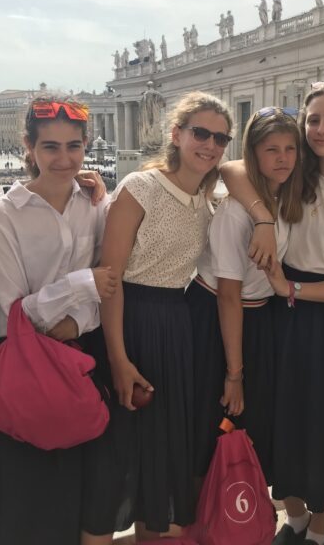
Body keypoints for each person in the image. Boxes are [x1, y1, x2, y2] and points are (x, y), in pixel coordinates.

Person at [222, 82, 324, 545]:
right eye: (313, 120)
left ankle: (317, 528)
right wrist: (263, 218)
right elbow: (231, 167)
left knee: (317, 422)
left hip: (319, 314)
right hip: (276, 313)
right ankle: (292, 518)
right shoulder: (292, 171)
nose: (321, 129)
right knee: (277, 417)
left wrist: (291, 288)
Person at [81, 92, 233, 544]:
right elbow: (110, 279)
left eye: (220, 138)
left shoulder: (208, 198)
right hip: (128, 320)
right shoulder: (141, 187)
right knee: (115, 455)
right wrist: (118, 359)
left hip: (175, 327)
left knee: (162, 457)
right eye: (200, 133)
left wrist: (263, 219)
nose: (210, 145)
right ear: (176, 134)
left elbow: (244, 175)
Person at [0, 96, 115, 545]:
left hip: (84, 353)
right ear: (29, 146)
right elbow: (14, 307)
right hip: (27, 362)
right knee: (33, 490)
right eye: (51, 147)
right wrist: (82, 285)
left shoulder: (95, 203)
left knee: (89, 486)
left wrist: (76, 322)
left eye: (74, 146)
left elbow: (108, 277)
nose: (64, 159)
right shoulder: (4, 214)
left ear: (86, 146)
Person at [188, 107, 303, 487]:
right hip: (218, 321)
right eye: (272, 150)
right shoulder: (236, 213)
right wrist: (234, 374)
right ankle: (209, 505)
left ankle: (242, 502)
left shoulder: (283, 199)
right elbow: (227, 297)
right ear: (252, 154)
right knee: (217, 419)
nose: (283, 158)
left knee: (251, 421)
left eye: (290, 148)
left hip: (258, 316)